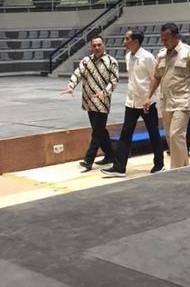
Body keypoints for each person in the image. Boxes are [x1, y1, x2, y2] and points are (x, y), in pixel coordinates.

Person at [143, 23, 190, 169]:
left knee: (177, 134)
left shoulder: (189, 53)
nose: (164, 42)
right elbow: (156, 77)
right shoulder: (161, 54)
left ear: (176, 37)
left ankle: (175, 170)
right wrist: (148, 96)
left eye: (167, 39)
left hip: (184, 100)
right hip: (166, 101)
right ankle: (185, 167)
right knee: (171, 137)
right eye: (162, 39)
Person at [101, 29, 164, 177]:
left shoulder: (148, 57)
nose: (124, 41)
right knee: (125, 134)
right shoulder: (128, 56)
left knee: (153, 133)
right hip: (131, 102)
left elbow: (156, 78)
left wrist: (150, 97)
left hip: (147, 103)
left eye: (127, 39)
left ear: (136, 41)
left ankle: (159, 164)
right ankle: (119, 167)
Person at [61, 36, 119, 172]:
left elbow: (114, 81)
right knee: (100, 131)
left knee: (97, 132)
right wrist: (71, 86)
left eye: (99, 45)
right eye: (94, 45)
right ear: (91, 47)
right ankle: (110, 155)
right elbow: (77, 74)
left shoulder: (111, 61)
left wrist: (104, 92)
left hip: (102, 102)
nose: (97, 48)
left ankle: (88, 160)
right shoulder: (86, 61)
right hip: (88, 102)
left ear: (103, 45)